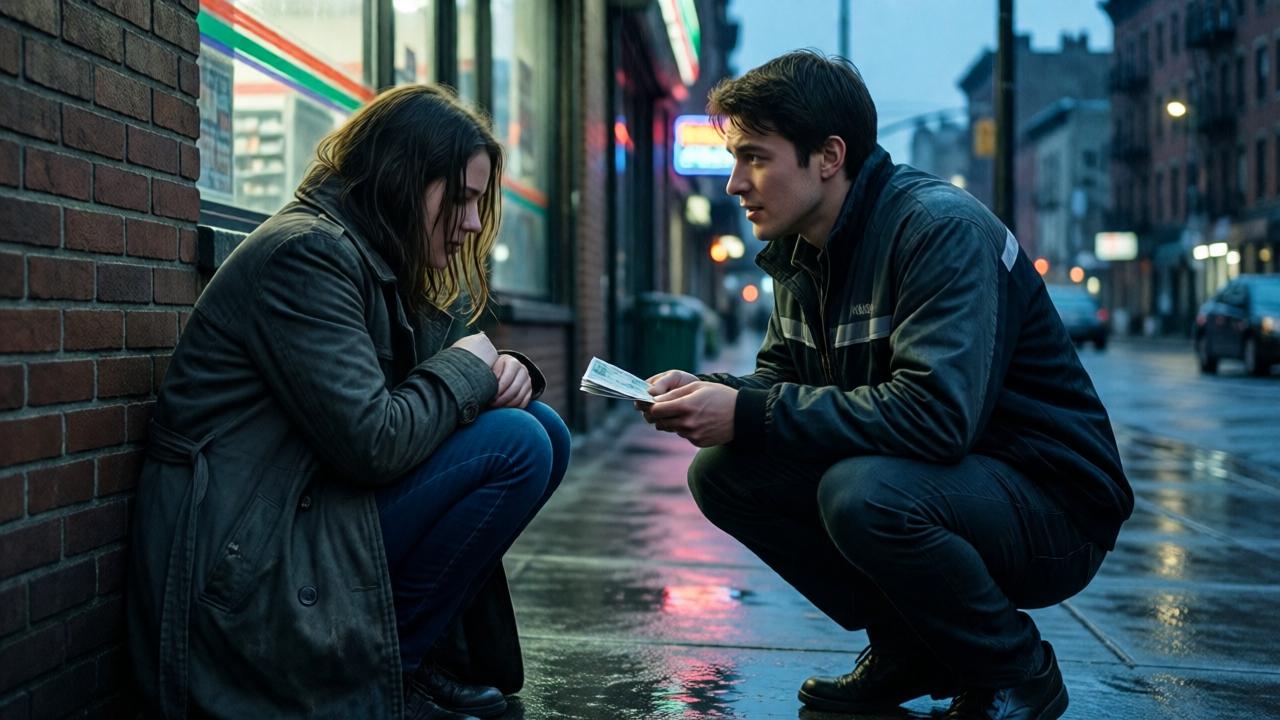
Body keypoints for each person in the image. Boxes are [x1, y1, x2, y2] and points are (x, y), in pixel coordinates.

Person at [637, 50, 1131, 720]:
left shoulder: (937, 229)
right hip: (950, 483)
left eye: (755, 157)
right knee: (724, 472)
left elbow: (934, 417)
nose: (734, 184)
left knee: (862, 494)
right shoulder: (803, 250)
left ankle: (1018, 671)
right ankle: (910, 647)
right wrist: (705, 393)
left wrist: (751, 410)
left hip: (1051, 505)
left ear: (829, 156)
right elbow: (782, 384)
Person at [127, 85, 570, 720]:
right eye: (463, 200)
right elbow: (375, 440)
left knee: (540, 430)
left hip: (307, 509)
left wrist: (507, 372)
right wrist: (473, 371)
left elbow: (443, 373)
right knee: (520, 444)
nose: (472, 225)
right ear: (404, 181)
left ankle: (404, 663)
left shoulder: (369, 257)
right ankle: (399, 671)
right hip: (245, 563)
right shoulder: (307, 256)